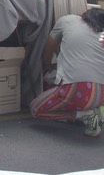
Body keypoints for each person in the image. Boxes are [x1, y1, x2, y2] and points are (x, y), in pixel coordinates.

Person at [30, 8, 104, 137]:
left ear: (84, 16)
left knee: (36, 109)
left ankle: (85, 115)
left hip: (75, 89)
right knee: (87, 98)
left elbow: (49, 49)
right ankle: (96, 111)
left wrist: (47, 64)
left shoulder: (68, 20)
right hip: (101, 94)